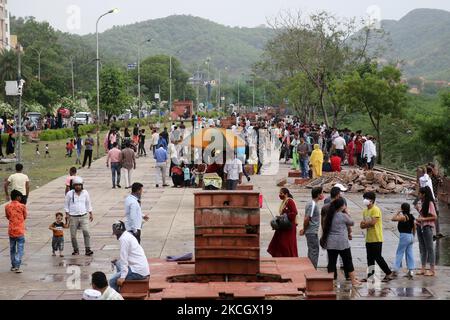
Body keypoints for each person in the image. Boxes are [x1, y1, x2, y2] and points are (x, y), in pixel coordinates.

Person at [320, 198, 361, 286]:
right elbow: (352, 223)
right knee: (348, 261)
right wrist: (347, 212)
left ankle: (330, 282)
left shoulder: (329, 215)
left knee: (331, 263)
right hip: (342, 243)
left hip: (331, 243)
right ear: (342, 206)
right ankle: (353, 281)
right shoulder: (343, 215)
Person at [360, 191, 394, 282]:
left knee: (378, 257)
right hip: (369, 239)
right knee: (370, 258)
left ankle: (388, 273)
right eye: (364, 198)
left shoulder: (376, 209)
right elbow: (362, 225)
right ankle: (370, 276)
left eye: (366, 199)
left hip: (376, 238)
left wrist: (366, 224)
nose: (365, 200)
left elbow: (373, 223)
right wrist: (366, 224)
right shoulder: (365, 211)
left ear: (372, 201)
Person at [110, 221, 150, 292]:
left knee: (112, 280)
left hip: (138, 272)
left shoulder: (124, 240)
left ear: (118, 232)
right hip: (141, 268)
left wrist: (122, 277)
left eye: (115, 233)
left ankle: (116, 297)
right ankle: (121, 288)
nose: (115, 235)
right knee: (118, 263)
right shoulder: (127, 235)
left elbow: (124, 260)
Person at [64, 177, 94, 256]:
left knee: (86, 231)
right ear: (73, 186)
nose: (78, 186)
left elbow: (88, 203)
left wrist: (90, 213)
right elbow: (66, 205)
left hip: (83, 215)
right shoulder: (70, 194)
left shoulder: (85, 193)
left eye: (79, 185)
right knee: (73, 235)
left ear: (82, 185)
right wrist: (67, 214)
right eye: (76, 185)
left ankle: (88, 249)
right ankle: (76, 249)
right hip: (73, 217)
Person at [268, 188, 298, 257]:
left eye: (281, 193)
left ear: (286, 194)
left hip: (289, 227)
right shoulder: (284, 202)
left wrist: (284, 217)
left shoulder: (290, 201)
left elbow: (294, 213)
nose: (280, 195)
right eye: (279, 193)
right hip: (283, 226)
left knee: (286, 244)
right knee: (278, 242)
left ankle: (289, 259)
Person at [415, 187, 437, 277]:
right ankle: (423, 268)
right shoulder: (423, 203)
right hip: (420, 226)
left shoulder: (430, 203)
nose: (418, 195)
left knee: (430, 248)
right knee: (422, 248)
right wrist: (418, 210)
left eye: (419, 193)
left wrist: (423, 219)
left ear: (424, 194)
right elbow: (423, 213)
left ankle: (432, 270)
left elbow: (434, 217)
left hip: (427, 227)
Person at [299, 187, 324, 269]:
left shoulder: (313, 204)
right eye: (321, 193)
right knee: (314, 251)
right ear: (318, 194)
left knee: (312, 250)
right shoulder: (312, 204)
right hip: (311, 232)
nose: (322, 195)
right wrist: (304, 229)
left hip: (312, 231)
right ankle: (312, 270)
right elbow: (307, 218)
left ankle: (310, 268)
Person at [5, 190, 27, 273]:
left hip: (11, 230)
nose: (21, 198)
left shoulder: (7, 206)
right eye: (20, 197)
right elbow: (25, 216)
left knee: (12, 248)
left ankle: (13, 265)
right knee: (20, 249)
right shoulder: (22, 206)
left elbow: (8, 216)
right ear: (18, 197)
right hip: (20, 230)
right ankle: (17, 265)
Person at [391, 203, 415, 279]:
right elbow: (414, 227)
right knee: (409, 253)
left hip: (404, 236)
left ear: (403, 209)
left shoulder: (404, 217)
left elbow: (393, 219)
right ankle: (411, 270)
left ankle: (395, 269)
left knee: (399, 252)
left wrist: (398, 212)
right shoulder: (411, 216)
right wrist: (413, 236)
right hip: (410, 236)